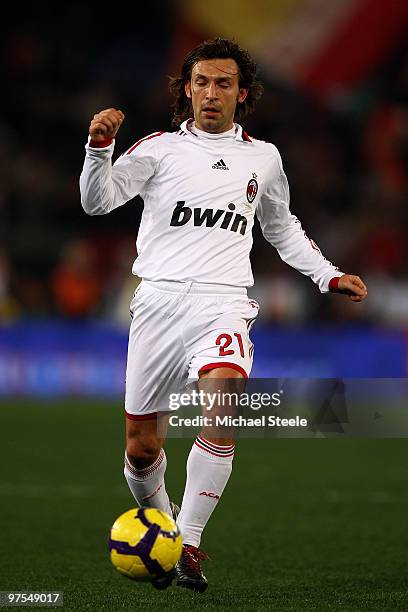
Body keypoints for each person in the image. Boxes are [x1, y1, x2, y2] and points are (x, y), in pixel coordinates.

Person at [79, 37, 367, 593]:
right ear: (186, 89)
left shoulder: (264, 158)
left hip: (224, 300)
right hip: (158, 301)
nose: (211, 94)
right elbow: (97, 202)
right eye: (202, 83)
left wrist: (326, 274)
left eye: (224, 83)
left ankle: (186, 542)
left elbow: (281, 228)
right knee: (142, 448)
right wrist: (98, 150)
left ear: (243, 93)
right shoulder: (157, 148)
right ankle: (162, 532)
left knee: (221, 403)